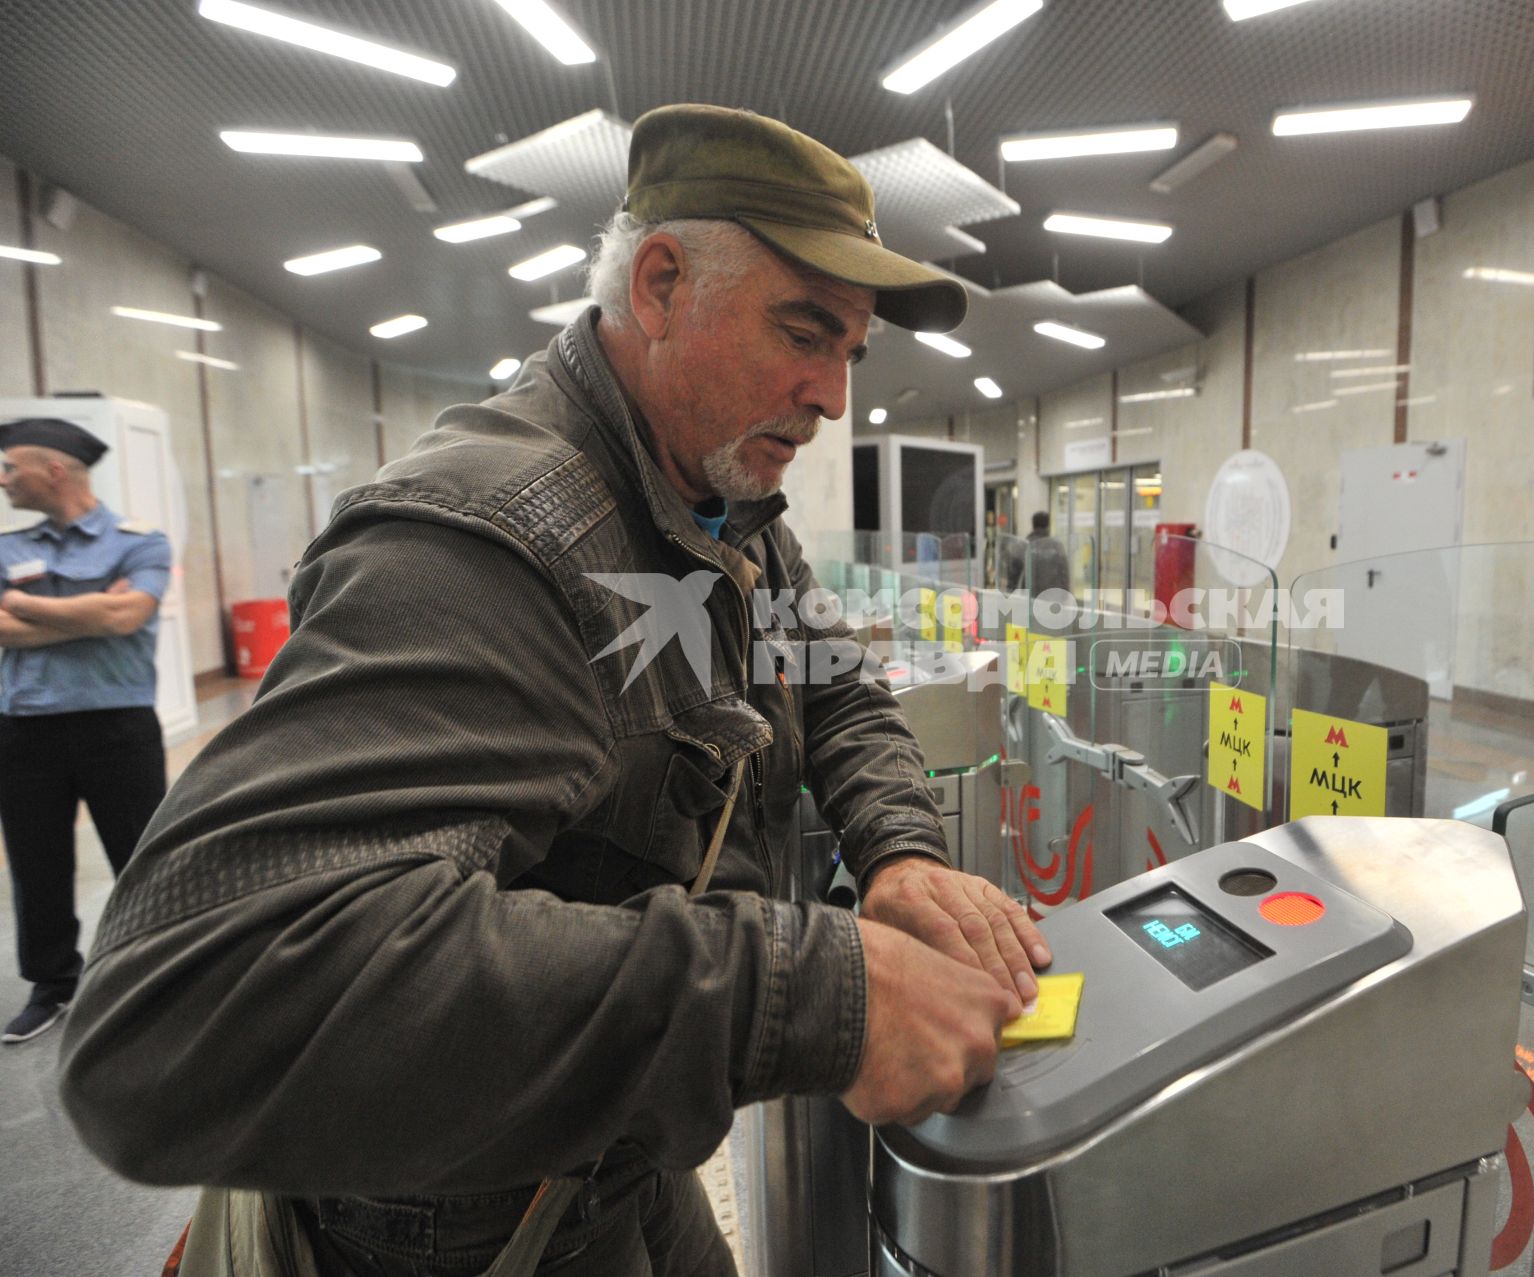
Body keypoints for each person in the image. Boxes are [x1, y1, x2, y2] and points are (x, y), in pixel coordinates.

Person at [59, 105, 1050, 1276]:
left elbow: (833, 685)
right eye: (803, 330)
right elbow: (178, 1006)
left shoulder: (725, 506)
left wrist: (902, 850)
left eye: (851, 350)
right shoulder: (495, 535)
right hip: (460, 1214)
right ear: (661, 283)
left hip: (618, 1146)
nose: (833, 394)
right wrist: (804, 990)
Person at [0, 418, 171, 1044]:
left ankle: (157, 971)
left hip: (117, 727)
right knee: (35, 861)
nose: (3, 479)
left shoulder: (140, 540)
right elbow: (8, 629)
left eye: (11, 468)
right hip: (24, 729)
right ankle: (52, 986)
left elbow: (128, 615)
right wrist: (91, 611)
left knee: (142, 855)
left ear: (55, 471)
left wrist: (24, 604)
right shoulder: (6, 547)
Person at [1023, 510, 1071, 598]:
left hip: (1030, 598)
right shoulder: (1056, 545)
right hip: (1053, 597)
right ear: (1048, 525)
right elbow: (1064, 572)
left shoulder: (1025, 544)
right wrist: (1065, 594)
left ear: (1033, 525)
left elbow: (1017, 574)